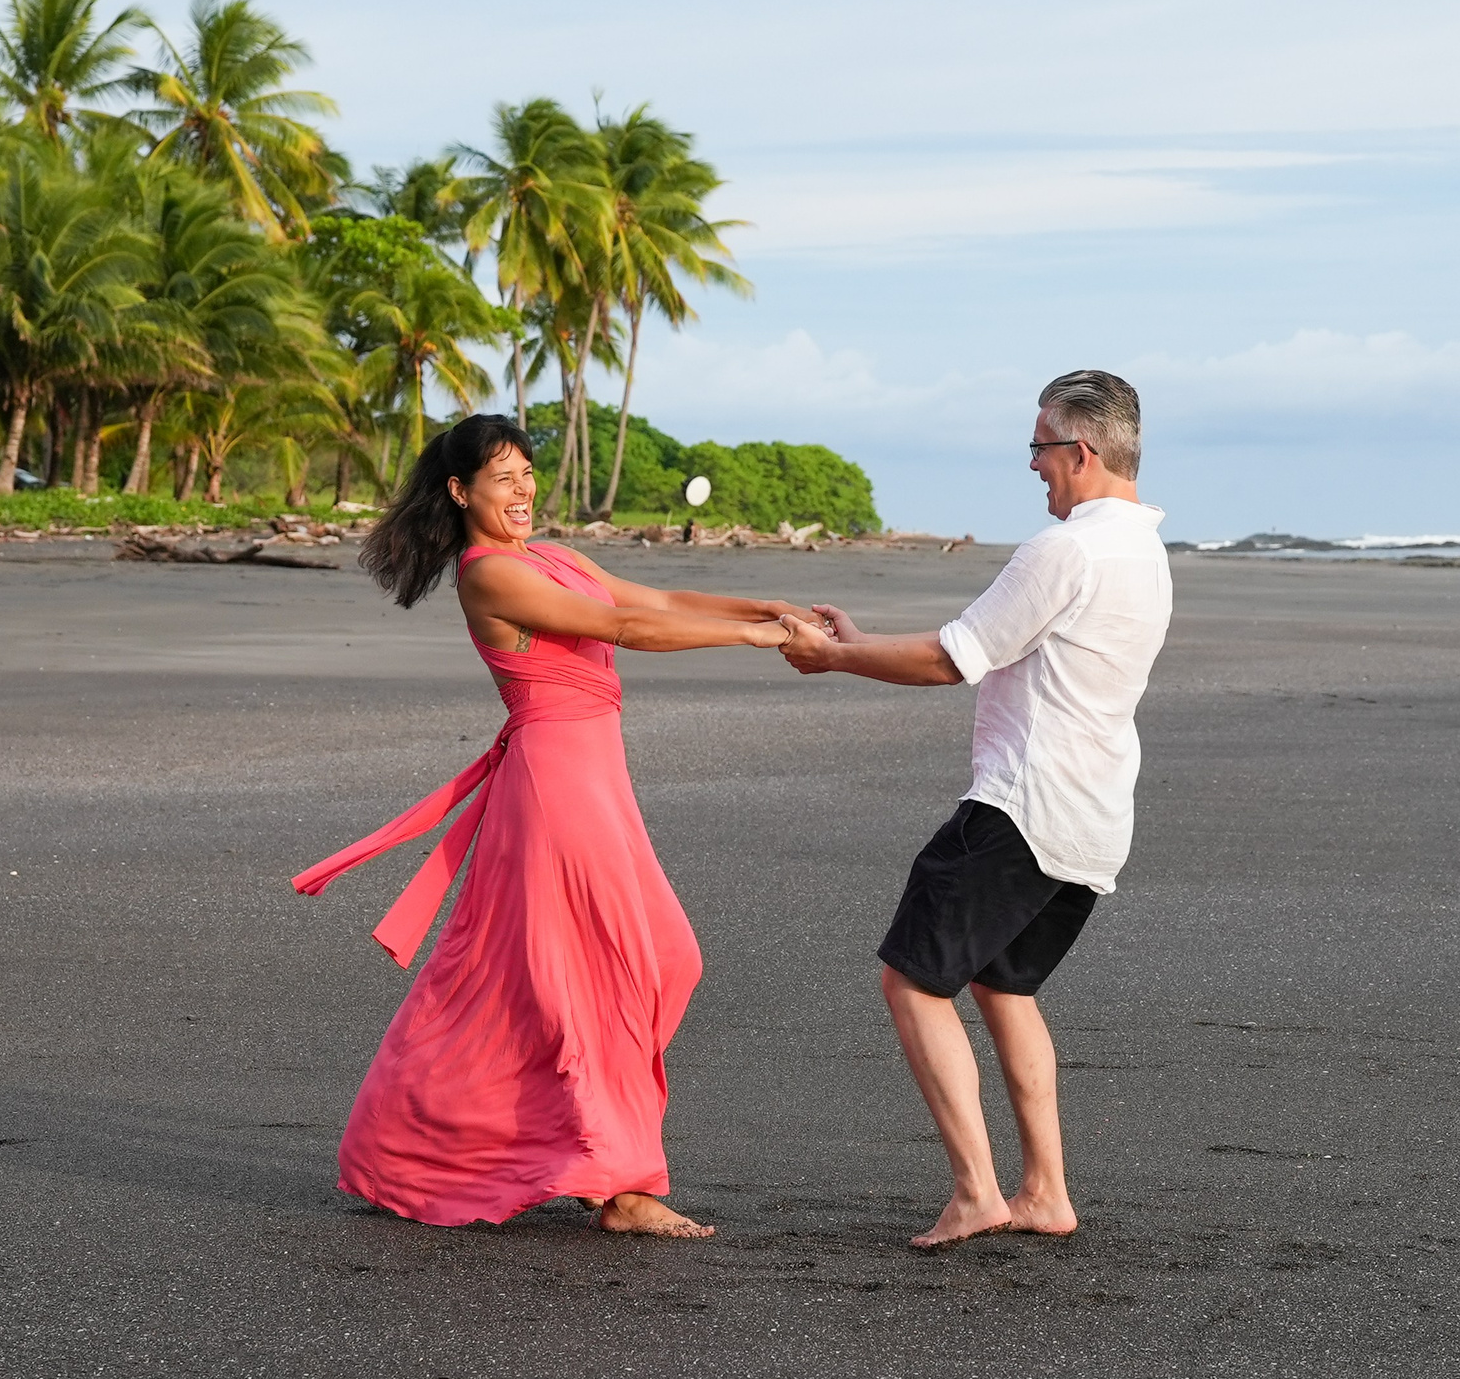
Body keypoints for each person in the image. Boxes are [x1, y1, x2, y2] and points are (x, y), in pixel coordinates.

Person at [295, 415, 805, 1239]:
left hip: (600, 784)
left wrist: (763, 602)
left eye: (529, 471)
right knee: (608, 974)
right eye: (504, 477)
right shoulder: (488, 575)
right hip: (554, 788)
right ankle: (622, 1187)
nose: (525, 488)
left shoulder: (556, 558)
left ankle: (530, 1146)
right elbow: (625, 630)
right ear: (462, 493)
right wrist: (757, 636)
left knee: (662, 962)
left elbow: (660, 600)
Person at [779, 371, 1172, 1248]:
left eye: (1039, 446)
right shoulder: (1142, 552)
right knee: (1004, 986)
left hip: (1021, 813)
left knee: (913, 983)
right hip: (1095, 818)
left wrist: (835, 660)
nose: (1032, 465)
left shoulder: (1064, 550)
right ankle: (1045, 1193)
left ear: (1081, 451)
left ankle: (977, 1192)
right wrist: (860, 643)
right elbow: (984, 642)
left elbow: (951, 661)